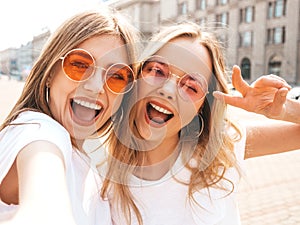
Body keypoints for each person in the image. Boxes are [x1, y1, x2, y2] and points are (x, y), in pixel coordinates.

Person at [98, 22, 300, 225]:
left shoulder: (222, 149)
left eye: (191, 87)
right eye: (158, 71)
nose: (168, 90)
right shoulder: (99, 176)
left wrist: (283, 111)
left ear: (203, 105)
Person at [0, 8, 140, 225]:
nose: (95, 87)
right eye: (79, 65)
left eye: (116, 77)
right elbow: (43, 208)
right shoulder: (41, 132)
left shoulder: (92, 174)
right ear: (49, 73)